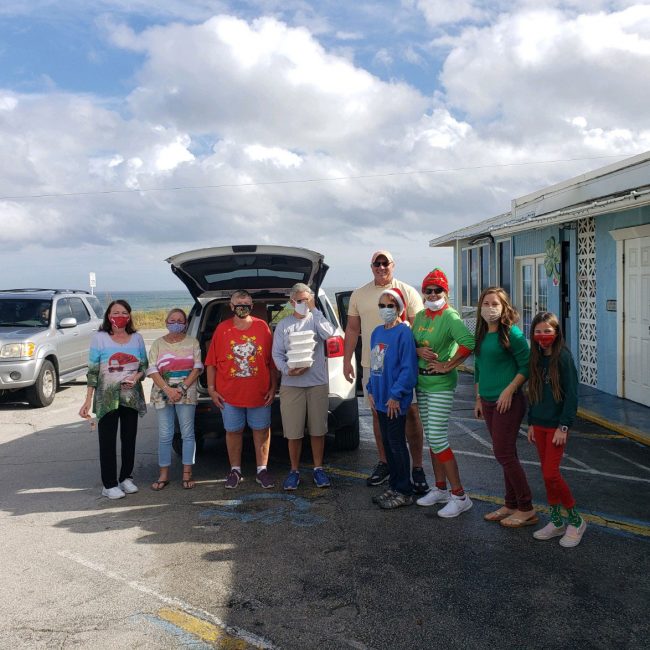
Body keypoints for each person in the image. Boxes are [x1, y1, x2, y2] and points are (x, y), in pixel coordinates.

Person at [343, 250, 428, 493]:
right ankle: (386, 463)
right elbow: (351, 329)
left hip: (399, 364)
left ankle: (417, 467)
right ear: (371, 266)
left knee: (410, 412)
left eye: (385, 263)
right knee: (379, 414)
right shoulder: (359, 293)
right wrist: (346, 360)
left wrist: (418, 351)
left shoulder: (407, 291)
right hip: (373, 365)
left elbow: (418, 326)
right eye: (376, 264)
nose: (381, 267)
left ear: (393, 265)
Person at [412, 269, 475, 517]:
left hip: (441, 384)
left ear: (446, 293)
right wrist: (418, 352)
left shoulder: (450, 316)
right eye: (428, 290)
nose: (433, 294)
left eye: (438, 290)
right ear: (423, 292)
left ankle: (459, 495)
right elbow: (412, 342)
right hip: (422, 383)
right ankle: (440, 489)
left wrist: (448, 364)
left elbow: (468, 342)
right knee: (432, 437)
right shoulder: (420, 316)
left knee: (438, 438)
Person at [474, 287, 537, 527]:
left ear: (504, 308)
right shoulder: (482, 335)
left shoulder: (512, 333)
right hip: (488, 401)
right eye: (486, 303)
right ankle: (511, 504)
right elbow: (479, 367)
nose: (490, 308)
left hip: (507, 402)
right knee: (507, 454)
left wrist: (509, 390)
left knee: (503, 453)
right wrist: (478, 398)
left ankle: (527, 508)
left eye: (495, 304)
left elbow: (526, 366)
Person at [205, 290, 277, 489]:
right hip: (229, 396)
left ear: (252, 306)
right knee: (233, 432)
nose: (242, 306)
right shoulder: (222, 329)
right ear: (231, 306)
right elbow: (211, 363)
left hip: (259, 394)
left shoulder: (263, 327)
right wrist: (211, 389)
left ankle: (262, 470)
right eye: (239, 302)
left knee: (262, 431)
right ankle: (235, 470)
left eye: (246, 303)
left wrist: (273, 387)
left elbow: (271, 362)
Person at [527, 312, 586, 547]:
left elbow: (572, 395)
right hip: (539, 424)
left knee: (552, 473)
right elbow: (534, 393)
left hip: (556, 427)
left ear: (557, 332)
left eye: (547, 331)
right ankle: (555, 520)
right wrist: (531, 422)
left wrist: (564, 426)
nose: (543, 336)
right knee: (546, 475)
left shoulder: (563, 357)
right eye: (538, 331)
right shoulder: (536, 358)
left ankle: (576, 519)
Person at [79, 300, 148, 499]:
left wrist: (135, 378)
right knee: (107, 441)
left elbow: (144, 366)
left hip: (131, 396)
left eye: (124, 312)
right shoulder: (99, 338)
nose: (119, 315)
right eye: (115, 312)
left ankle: (126, 477)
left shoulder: (137, 338)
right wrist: (87, 399)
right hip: (106, 397)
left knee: (129, 438)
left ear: (129, 315)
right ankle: (109, 484)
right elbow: (92, 371)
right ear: (109, 316)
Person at [272, 283, 337, 490]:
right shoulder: (284, 325)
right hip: (292, 385)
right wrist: (286, 370)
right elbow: (277, 353)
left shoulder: (316, 320)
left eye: (306, 300)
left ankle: (318, 469)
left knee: (318, 430)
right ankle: (294, 470)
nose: (303, 304)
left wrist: (315, 310)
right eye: (299, 301)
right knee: (293, 432)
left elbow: (330, 334)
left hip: (317, 383)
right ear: (292, 302)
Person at [366, 289, 418, 509]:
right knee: (388, 444)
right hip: (379, 399)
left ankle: (404, 490)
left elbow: (408, 368)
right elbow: (375, 364)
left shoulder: (403, 333)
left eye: (390, 305)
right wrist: (370, 388)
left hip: (394, 401)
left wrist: (396, 395)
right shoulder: (377, 332)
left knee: (397, 445)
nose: (386, 310)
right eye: (382, 305)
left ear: (399, 308)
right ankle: (395, 486)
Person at [147, 308, 203, 490]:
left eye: (180, 320)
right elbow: (152, 369)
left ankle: (187, 473)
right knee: (165, 435)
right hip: (162, 394)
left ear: (186, 324)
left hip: (186, 393)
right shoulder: (157, 344)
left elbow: (197, 368)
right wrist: (168, 389)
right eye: (172, 320)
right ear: (166, 322)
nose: (176, 323)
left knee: (187, 434)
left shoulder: (193, 342)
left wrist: (181, 388)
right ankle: (164, 474)